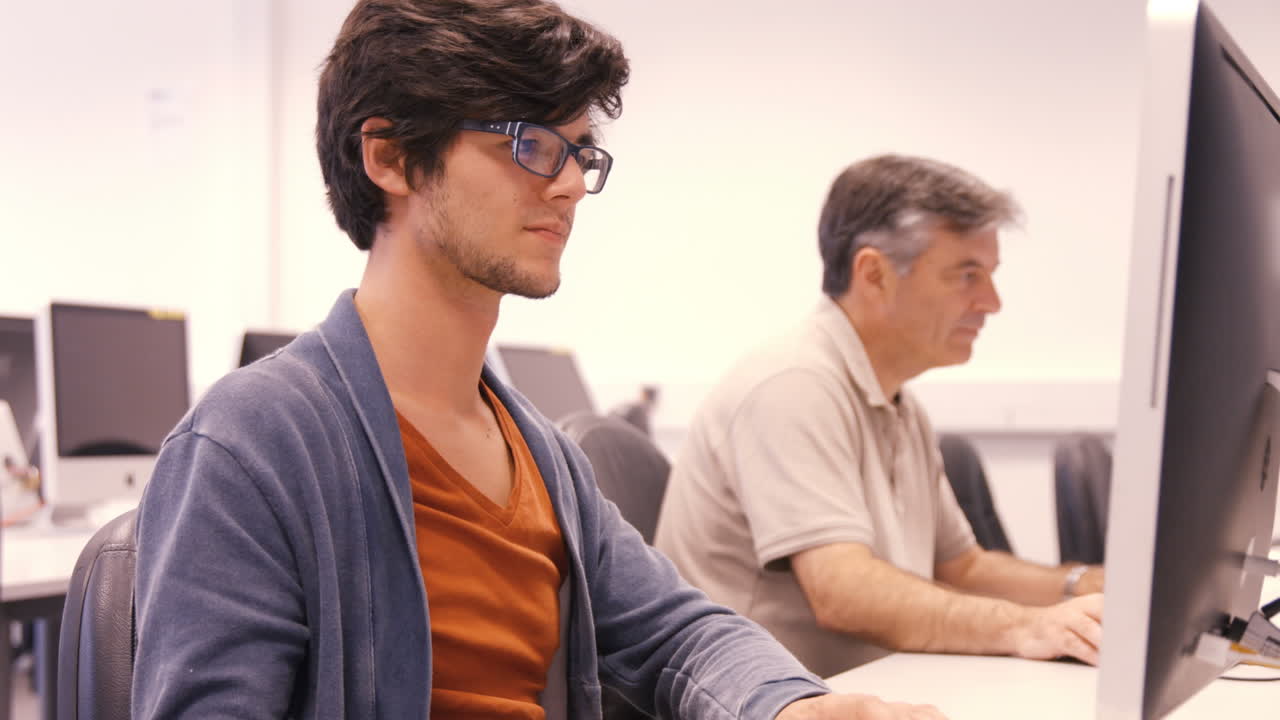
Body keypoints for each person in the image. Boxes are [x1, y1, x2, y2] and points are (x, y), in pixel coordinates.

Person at [130, 2, 946, 718]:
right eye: (529, 143)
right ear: (388, 157)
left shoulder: (540, 456)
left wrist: (792, 707)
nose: (569, 187)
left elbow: (679, 632)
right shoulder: (253, 446)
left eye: (580, 152)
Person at [654, 154, 1105, 679]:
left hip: (852, 691)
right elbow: (843, 593)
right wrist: (1028, 626)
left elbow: (963, 567)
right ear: (875, 275)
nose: (992, 302)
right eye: (967, 275)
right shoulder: (792, 386)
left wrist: (1085, 586)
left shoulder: (897, 403)